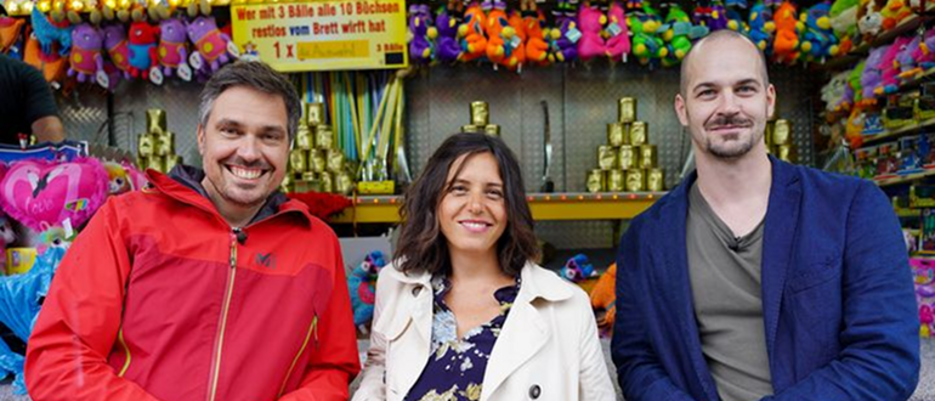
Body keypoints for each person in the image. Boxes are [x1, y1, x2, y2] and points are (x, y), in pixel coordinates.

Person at [612, 29, 920, 401]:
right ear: (683, 109)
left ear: (769, 100)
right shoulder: (645, 238)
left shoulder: (853, 207)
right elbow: (636, 360)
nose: (728, 106)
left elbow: (887, 358)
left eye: (744, 89)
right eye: (708, 92)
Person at [25, 61, 359, 401]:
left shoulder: (316, 243)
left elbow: (331, 369)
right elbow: (60, 360)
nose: (248, 152)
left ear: (289, 146)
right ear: (201, 136)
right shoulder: (125, 222)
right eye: (231, 131)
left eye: (269, 136)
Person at [353, 133, 615, 401]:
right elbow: (381, 367)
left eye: (493, 193)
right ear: (434, 200)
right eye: (459, 189)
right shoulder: (396, 282)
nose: (476, 206)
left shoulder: (567, 305)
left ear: (511, 208)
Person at [0, 53, 65, 144]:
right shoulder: (26, 74)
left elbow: (48, 128)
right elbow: (48, 129)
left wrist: (55, 152)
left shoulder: (26, 76)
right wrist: (56, 154)